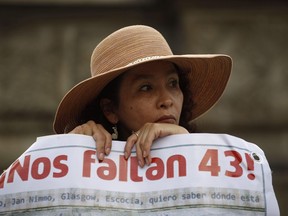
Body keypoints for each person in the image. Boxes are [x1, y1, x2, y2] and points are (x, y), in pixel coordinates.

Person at [53, 25, 232, 168]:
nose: (167, 100)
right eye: (146, 88)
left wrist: (188, 146)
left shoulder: (222, 164)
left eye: (173, 83)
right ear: (110, 109)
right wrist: (71, 152)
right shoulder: (87, 160)